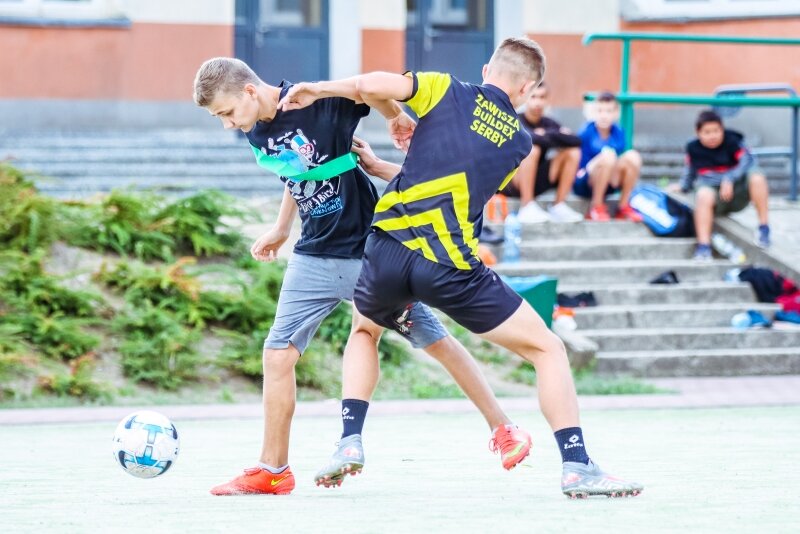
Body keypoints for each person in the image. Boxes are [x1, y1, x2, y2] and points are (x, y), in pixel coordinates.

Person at [279, 37, 643, 498]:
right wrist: (394, 162)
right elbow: (457, 189)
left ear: (487, 68)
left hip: (387, 249)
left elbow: (370, 85)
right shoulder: (519, 143)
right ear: (527, 89)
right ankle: (577, 465)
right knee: (548, 349)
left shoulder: (445, 88)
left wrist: (318, 89)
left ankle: (349, 440)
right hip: (447, 265)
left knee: (365, 332)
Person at [192, 58, 533, 496]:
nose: (227, 125)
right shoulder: (255, 128)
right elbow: (295, 170)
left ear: (250, 92)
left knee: (435, 340)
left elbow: (368, 90)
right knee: (277, 355)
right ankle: (273, 469)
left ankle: (503, 428)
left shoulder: (314, 101)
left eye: (226, 113)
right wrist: (280, 228)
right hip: (313, 255)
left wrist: (396, 116)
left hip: (368, 251)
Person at [671, 109, 770, 260]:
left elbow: (748, 161)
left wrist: (729, 178)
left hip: (738, 191)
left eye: (716, 131)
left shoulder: (733, 141)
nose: (712, 136)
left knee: (757, 177)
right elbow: (690, 172)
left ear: (722, 129)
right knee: (703, 195)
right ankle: (703, 247)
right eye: (707, 132)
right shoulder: (693, 148)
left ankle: (764, 228)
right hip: (714, 194)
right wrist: (683, 186)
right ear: (698, 132)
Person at [501, 82, 583, 223]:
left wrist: (545, 133)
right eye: (533, 97)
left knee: (573, 152)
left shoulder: (548, 123)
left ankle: (559, 206)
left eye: (542, 97)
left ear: (547, 100)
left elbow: (576, 140)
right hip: (511, 182)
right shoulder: (514, 118)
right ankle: (526, 206)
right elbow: (529, 138)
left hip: (537, 180)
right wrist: (557, 136)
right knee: (533, 149)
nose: (538, 102)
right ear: (526, 98)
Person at [573, 92, 643, 222]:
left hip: (609, 178)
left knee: (633, 156)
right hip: (585, 180)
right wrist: (603, 159)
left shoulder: (618, 132)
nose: (604, 115)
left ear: (616, 113)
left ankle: (623, 205)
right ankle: (596, 206)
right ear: (594, 112)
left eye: (609, 111)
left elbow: (618, 163)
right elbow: (581, 168)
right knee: (608, 156)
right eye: (600, 111)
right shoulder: (586, 132)